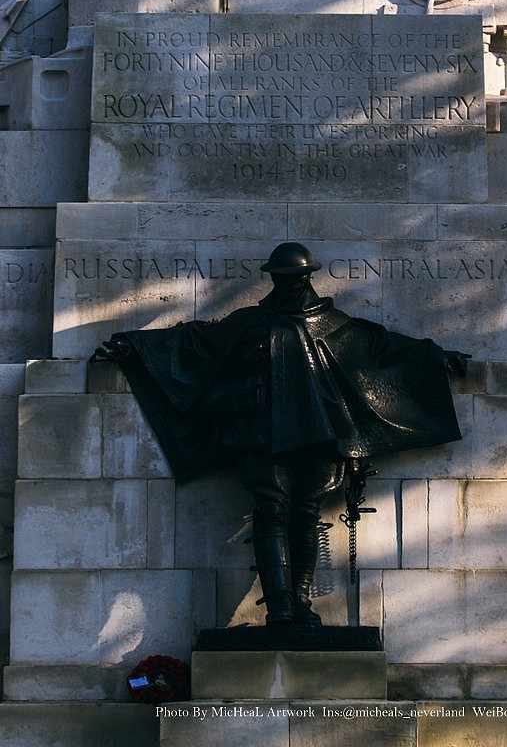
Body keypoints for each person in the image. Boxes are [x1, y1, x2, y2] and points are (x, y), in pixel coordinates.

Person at [95, 242, 466, 625]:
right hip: (259, 431)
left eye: (296, 278)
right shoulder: (250, 323)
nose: (290, 284)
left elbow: (383, 348)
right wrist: (133, 347)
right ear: (273, 278)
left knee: (306, 512)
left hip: (320, 434)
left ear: (307, 277)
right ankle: (280, 609)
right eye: (283, 278)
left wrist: (436, 358)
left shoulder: (335, 324)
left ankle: (301, 604)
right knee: (271, 511)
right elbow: (194, 344)